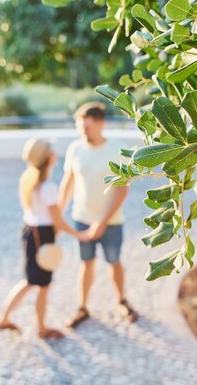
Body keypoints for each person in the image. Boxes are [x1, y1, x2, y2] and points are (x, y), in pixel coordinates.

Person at [0, 138, 88, 340]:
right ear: (48, 157)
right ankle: (41, 328)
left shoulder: (28, 180)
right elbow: (58, 221)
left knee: (30, 281)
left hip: (30, 231)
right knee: (42, 286)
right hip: (42, 235)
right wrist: (79, 234)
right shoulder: (47, 187)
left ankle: (5, 317)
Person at [59, 102, 138, 328]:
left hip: (111, 221)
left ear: (101, 124)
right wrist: (58, 217)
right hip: (81, 219)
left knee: (114, 262)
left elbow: (122, 190)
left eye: (87, 127)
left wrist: (101, 222)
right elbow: (68, 183)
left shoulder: (118, 150)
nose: (83, 132)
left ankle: (122, 301)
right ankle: (82, 307)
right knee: (86, 264)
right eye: (80, 128)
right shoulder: (75, 149)